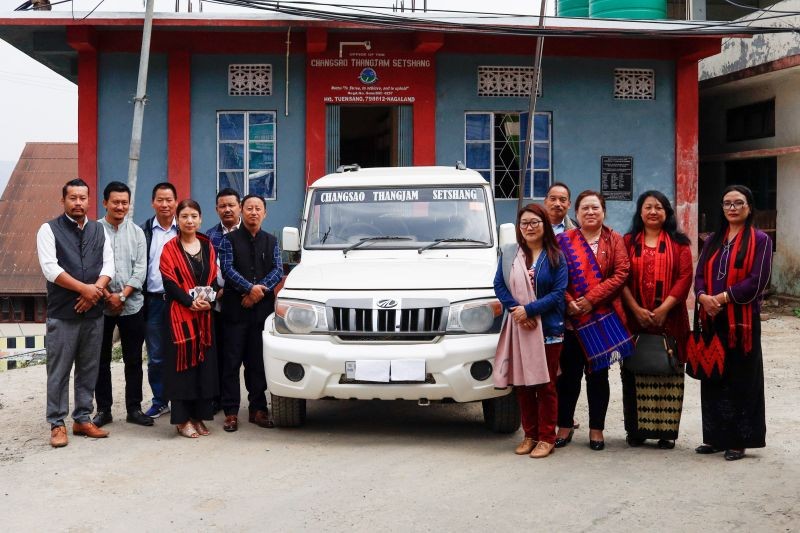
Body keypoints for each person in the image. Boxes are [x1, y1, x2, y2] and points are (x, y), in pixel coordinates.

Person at [693, 185, 771, 461]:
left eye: (738, 203)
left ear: (749, 207)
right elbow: (700, 274)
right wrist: (703, 297)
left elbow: (757, 281)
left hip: (742, 323)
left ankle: (739, 440)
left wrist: (722, 298)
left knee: (742, 379)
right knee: (714, 376)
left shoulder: (760, 240)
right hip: (712, 318)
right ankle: (714, 438)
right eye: (727, 203)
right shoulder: (713, 239)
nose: (732, 208)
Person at [36, 178, 114, 447]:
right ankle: (57, 423)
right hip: (62, 313)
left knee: (89, 368)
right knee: (58, 370)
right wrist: (86, 290)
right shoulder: (48, 230)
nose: (78, 202)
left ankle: (82, 418)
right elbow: (50, 268)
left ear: (89, 200)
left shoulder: (98, 230)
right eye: (73, 198)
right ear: (63, 201)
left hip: (93, 314)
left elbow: (108, 266)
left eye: (83, 198)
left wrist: (94, 293)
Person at [555, 190, 631, 451]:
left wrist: (589, 300)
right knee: (568, 377)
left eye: (595, 208)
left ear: (604, 211)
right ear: (575, 214)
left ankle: (596, 429)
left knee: (598, 377)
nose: (590, 212)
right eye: (584, 208)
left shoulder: (614, 239)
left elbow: (622, 273)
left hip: (601, 318)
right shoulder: (564, 241)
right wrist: (568, 301)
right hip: (572, 321)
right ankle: (564, 425)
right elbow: (555, 275)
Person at [494, 204, 568, 458]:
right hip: (520, 328)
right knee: (523, 385)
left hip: (548, 328)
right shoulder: (510, 255)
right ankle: (530, 435)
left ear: (545, 225)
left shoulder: (555, 255)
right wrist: (517, 310)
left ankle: (547, 437)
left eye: (535, 222)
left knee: (546, 385)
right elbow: (499, 285)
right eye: (524, 223)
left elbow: (559, 293)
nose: (529, 228)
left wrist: (531, 310)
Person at [620, 191, 693, 449]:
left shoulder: (679, 244)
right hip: (634, 320)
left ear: (667, 213)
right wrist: (636, 308)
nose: (653, 211)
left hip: (671, 320)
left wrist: (664, 309)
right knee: (635, 370)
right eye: (648, 207)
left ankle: (666, 432)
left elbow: (685, 278)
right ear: (640, 212)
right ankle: (637, 431)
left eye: (659, 207)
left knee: (669, 370)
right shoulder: (627, 242)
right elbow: (621, 278)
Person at [219, 194, 284, 432]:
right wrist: (248, 288)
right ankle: (231, 412)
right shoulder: (230, 240)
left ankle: (258, 409)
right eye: (249, 208)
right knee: (232, 363)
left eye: (258, 208)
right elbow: (227, 269)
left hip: (261, 314)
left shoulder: (271, 241)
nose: (253, 212)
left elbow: (278, 269)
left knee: (258, 363)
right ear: (241, 212)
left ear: (264, 213)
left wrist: (257, 292)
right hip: (235, 312)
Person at [93, 181, 153, 428]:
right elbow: (90, 267)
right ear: (105, 202)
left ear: (129, 205)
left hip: (132, 306)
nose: (120, 206)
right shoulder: (93, 231)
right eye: (115, 202)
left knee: (133, 360)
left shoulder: (137, 232)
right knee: (100, 360)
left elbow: (141, 269)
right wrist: (108, 295)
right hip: (101, 305)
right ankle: (104, 410)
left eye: (124, 202)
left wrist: (123, 295)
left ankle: (134, 408)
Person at [159, 199, 220, 438]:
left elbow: (213, 278)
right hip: (180, 319)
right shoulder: (169, 249)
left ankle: (198, 417)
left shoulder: (207, 245)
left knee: (203, 368)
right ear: (177, 219)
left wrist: (209, 300)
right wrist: (189, 301)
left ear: (201, 219)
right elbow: (169, 283)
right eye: (184, 216)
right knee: (182, 370)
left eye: (194, 216)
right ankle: (182, 420)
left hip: (204, 317)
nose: (189, 220)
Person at [141, 182, 178, 419]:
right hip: (153, 301)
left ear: (176, 202)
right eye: (160, 200)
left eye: (169, 200)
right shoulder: (143, 231)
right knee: (156, 356)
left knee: (182, 352)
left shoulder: (183, 229)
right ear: (153, 202)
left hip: (180, 302)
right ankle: (160, 400)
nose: (165, 205)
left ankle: (183, 400)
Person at [205, 188, 242, 413]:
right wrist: (214, 289)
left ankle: (253, 402)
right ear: (217, 209)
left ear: (239, 206)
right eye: (222, 206)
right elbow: (206, 269)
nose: (227, 209)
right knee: (218, 353)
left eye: (231, 205)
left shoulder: (249, 233)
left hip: (242, 304)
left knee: (240, 355)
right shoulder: (209, 236)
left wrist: (226, 288)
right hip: (217, 306)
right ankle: (218, 398)